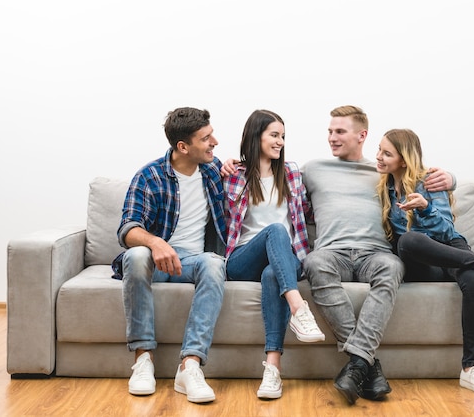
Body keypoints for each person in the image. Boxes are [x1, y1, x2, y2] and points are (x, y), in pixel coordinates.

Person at [301, 105, 455, 405]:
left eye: (340, 132)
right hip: (333, 253)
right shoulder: (314, 168)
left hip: (375, 253)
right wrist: (231, 164)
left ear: (362, 135)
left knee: (393, 266)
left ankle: (357, 363)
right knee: (313, 262)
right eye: (330, 131)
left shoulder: (383, 169)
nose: (332, 138)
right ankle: (367, 364)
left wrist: (452, 177)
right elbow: (269, 171)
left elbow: (422, 176)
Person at [374, 128, 474, 398]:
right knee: (408, 241)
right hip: (422, 262)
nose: (379, 157)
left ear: (404, 160)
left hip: (450, 250)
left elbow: (445, 232)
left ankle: (470, 370)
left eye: (386, 153)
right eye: (379, 150)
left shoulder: (429, 182)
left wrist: (425, 208)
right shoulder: (384, 186)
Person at [113, 107, 227, 403]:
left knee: (215, 263)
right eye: (206, 138)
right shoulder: (149, 176)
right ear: (183, 147)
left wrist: (237, 167)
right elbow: (127, 228)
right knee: (136, 256)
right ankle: (143, 360)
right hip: (157, 263)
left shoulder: (213, 173)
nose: (214, 141)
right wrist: (156, 244)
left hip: (192, 263)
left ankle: (190, 366)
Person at [223, 109, 325, 400]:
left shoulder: (291, 173)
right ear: (256, 136)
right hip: (244, 258)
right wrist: (223, 164)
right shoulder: (233, 176)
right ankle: (298, 308)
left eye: (282, 136)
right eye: (274, 135)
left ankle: (272, 370)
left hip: (283, 259)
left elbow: (309, 212)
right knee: (275, 231)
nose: (280, 142)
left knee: (273, 273)